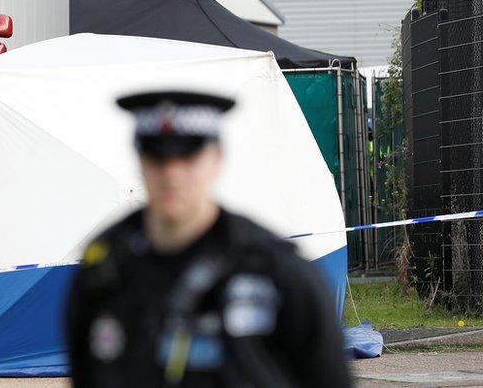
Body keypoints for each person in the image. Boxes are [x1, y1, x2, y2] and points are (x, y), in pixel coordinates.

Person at [66, 90, 351, 387]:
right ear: (138, 159)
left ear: (217, 159)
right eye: (157, 156)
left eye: (188, 156)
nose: (172, 173)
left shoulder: (276, 273)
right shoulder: (103, 273)